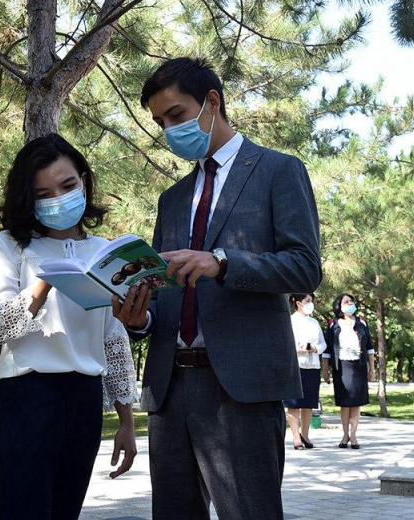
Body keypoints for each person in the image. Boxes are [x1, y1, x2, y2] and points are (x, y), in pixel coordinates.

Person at [113, 57, 322, 520]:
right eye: (160, 123)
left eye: (177, 115)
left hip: (241, 389)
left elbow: (305, 267)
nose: (169, 131)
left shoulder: (277, 171)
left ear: (212, 101)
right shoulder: (173, 199)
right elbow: (169, 288)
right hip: (170, 390)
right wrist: (140, 319)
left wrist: (222, 262)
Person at [0, 133, 138, 520]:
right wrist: (46, 281)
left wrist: (126, 422)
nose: (58, 199)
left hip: (84, 400)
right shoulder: (11, 246)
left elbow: (113, 339)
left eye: (67, 186)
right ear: (28, 197)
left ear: (83, 179)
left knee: (65, 512)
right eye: (43, 193)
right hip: (27, 396)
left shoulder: (104, 251)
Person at [322, 294, 374, 449]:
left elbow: (370, 348)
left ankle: (354, 435)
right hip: (342, 367)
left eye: (351, 301)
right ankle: (345, 435)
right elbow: (327, 350)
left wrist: (372, 369)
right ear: (339, 305)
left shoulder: (362, 323)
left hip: (359, 367)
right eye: (346, 302)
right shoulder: (334, 324)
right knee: (345, 403)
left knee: (356, 403)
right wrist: (325, 370)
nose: (350, 304)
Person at [283, 293, 326, 450]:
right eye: (308, 301)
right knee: (294, 403)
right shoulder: (290, 321)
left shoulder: (314, 323)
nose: (310, 304)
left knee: (308, 403)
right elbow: (285, 343)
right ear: (298, 303)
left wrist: (316, 348)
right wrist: (298, 349)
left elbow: (323, 344)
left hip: (312, 366)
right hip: (295, 366)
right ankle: (295, 437)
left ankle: (305, 435)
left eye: (311, 301)